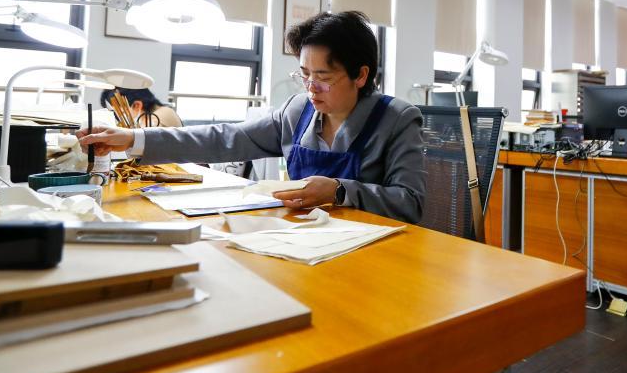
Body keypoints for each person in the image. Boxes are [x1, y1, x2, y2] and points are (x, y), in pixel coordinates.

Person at [77, 11, 426, 223]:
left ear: (361, 75)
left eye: (323, 77)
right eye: (304, 74)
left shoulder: (396, 120)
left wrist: (339, 190)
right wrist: (133, 138)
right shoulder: (297, 111)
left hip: (372, 250)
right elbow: (225, 138)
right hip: (305, 240)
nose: (311, 88)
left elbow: (410, 203)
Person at [100, 87, 183, 127]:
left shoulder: (158, 117)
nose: (119, 118)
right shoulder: (163, 111)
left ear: (137, 105)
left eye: (121, 112)